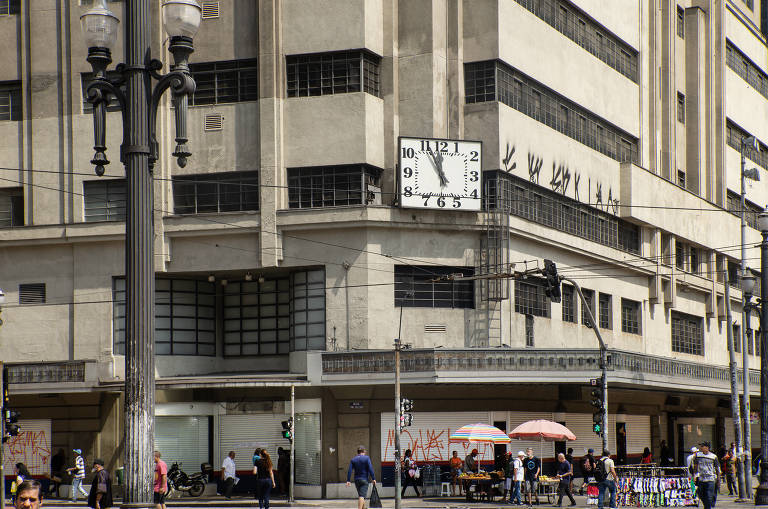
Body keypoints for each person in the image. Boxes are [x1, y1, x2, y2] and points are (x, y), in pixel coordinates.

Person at [694, 441, 720, 509]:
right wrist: (695, 475)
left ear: (707, 447)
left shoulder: (713, 456)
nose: (701, 448)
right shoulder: (698, 455)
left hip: (710, 479)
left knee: (709, 496)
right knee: (700, 494)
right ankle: (706, 506)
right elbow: (695, 466)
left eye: (702, 446)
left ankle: (707, 507)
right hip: (701, 479)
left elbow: (717, 468)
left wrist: (718, 479)